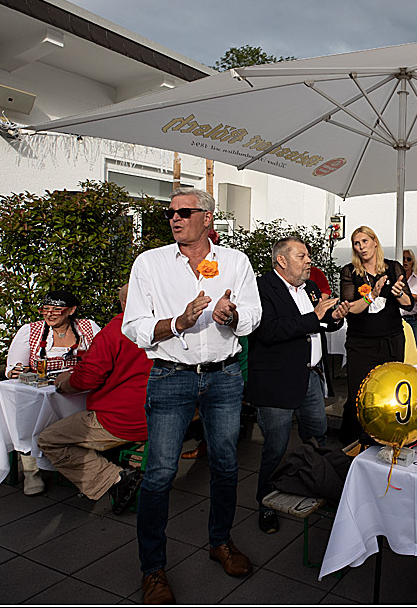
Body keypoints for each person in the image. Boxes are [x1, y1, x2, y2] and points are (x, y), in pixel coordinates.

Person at [122, 187, 262, 604]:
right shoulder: (150, 263)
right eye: (170, 213)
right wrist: (177, 322)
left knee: (225, 465)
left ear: (207, 218)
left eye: (184, 211)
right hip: (171, 376)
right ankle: (152, 568)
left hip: (223, 377)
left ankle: (221, 542)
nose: (175, 218)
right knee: (160, 473)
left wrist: (231, 315)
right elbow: (134, 325)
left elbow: (253, 314)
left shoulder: (235, 262)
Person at [245, 237, 348, 534]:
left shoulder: (310, 287)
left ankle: (316, 485)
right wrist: (314, 317)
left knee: (317, 437)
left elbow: (321, 323)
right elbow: (268, 331)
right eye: (301, 256)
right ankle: (266, 504)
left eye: (307, 256)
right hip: (276, 383)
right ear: (282, 260)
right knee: (275, 449)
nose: (308, 261)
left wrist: (334, 318)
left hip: (310, 377)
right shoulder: (261, 288)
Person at [37, 284, 150, 511]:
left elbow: (87, 378)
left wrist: (64, 383)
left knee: (49, 439)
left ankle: (114, 479)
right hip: (160, 414)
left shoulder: (116, 331)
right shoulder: (167, 325)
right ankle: (134, 466)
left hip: (122, 419)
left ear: (124, 303)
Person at [6, 288, 101, 496]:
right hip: (41, 392)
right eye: (45, 309)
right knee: (27, 411)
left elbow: (101, 358)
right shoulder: (30, 331)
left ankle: (78, 465)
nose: (49, 314)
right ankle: (31, 472)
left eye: (56, 309)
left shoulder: (88, 328)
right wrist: (17, 370)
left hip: (78, 391)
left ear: (71, 310)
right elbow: (13, 366)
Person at [337, 226, 413, 443]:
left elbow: (409, 304)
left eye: (364, 241)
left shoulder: (393, 267)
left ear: (375, 242)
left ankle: (385, 437)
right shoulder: (349, 271)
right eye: (356, 243)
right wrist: (372, 294)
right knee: (358, 395)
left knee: (390, 393)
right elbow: (351, 308)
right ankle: (351, 444)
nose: (361, 247)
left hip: (391, 341)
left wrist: (398, 293)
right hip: (361, 344)